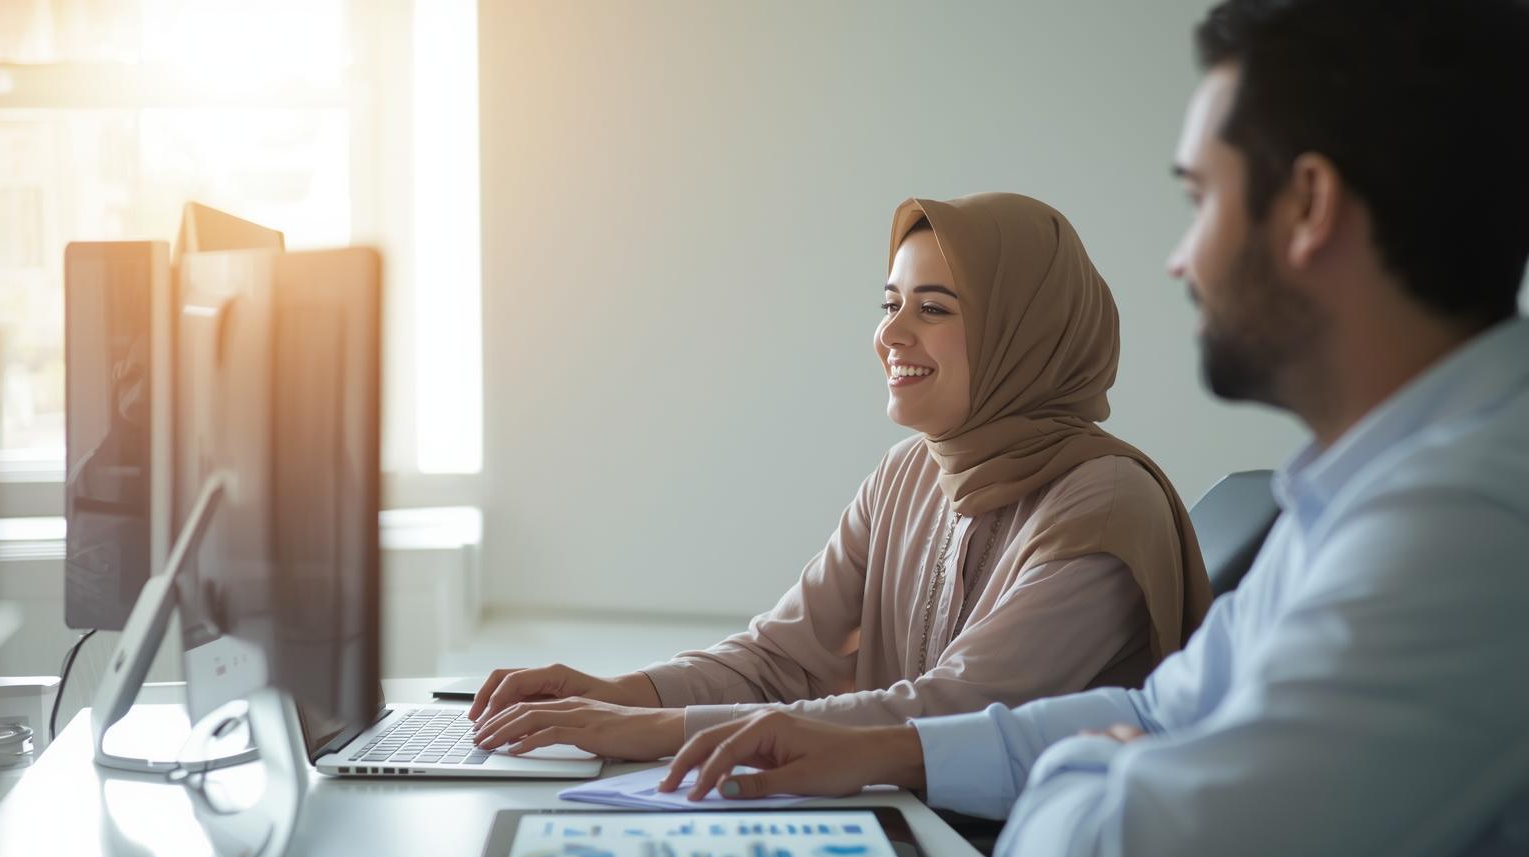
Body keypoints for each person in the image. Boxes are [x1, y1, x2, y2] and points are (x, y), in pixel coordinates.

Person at [658, 0, 1529, 857]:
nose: (1179, 261)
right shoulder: (1355, 495)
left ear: (1307, 207)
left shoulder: (1464, 529)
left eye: (1200, 200)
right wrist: (891, 749)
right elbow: (1160, 711)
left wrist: (1078, 773)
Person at [469, 192, 1213, 762]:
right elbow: (780, 658)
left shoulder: (1105, 504)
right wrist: (612, 693)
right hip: (904, 822)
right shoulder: (910, 473)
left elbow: (951, 711)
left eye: (933, 308)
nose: (892, 334)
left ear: (1026, 334)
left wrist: (646, 729)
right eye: (890, 304)